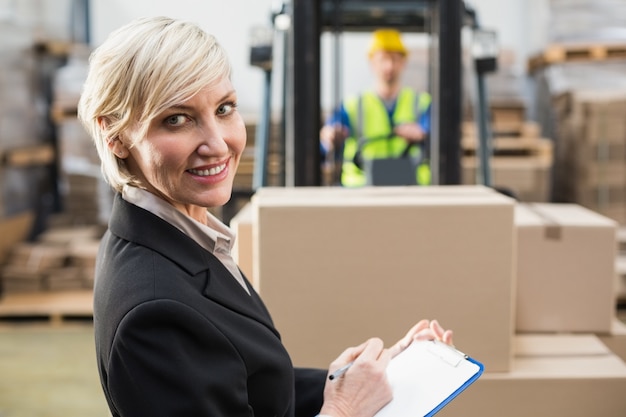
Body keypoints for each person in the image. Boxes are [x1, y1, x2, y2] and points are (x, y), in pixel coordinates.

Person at [78, 16, 453, 417]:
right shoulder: (153, 315)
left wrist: (369, 377)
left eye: (225, 108)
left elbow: (247, 382)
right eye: (176, 119)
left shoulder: (185, 238)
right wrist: (344, 410)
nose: (218, 144)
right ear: (114, 135)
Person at [320, 28, 432, 187]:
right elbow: (328, 140)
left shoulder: (422, 103)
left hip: (411, 190)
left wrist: (422, 135)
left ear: (403, 63)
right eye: (383, 59)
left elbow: (437, 137)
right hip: (360, 191)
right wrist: (329, 137)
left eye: (395, 59)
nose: (389, 66)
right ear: (372, 63)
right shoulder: (353, 105)